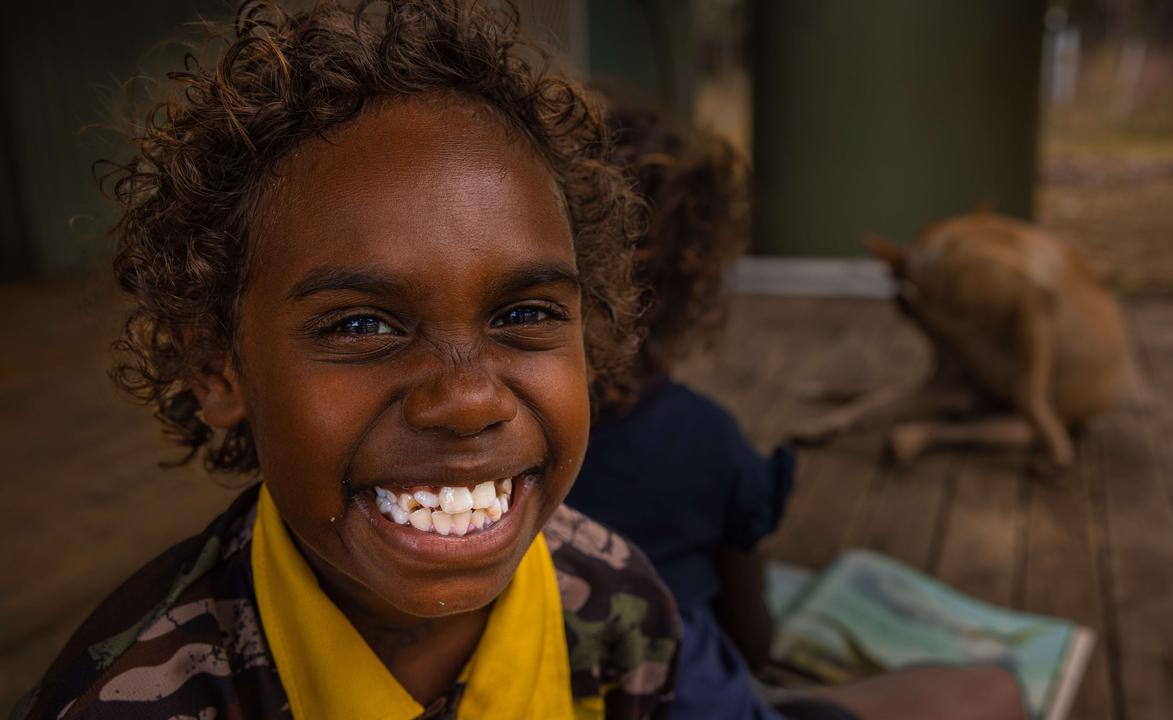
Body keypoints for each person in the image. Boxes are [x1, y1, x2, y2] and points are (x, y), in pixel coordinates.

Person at [15, 2, 680, 718]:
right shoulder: (121, 699)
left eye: (524, 315)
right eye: (362, 325)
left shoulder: (620, 609)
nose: (469, 400)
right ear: (217, 368)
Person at [565, 105, 1026, 720]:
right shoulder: (705, 441)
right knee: (992, 690)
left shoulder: (511, 449)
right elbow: (756, 644)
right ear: (697, 282)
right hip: (694, 703)